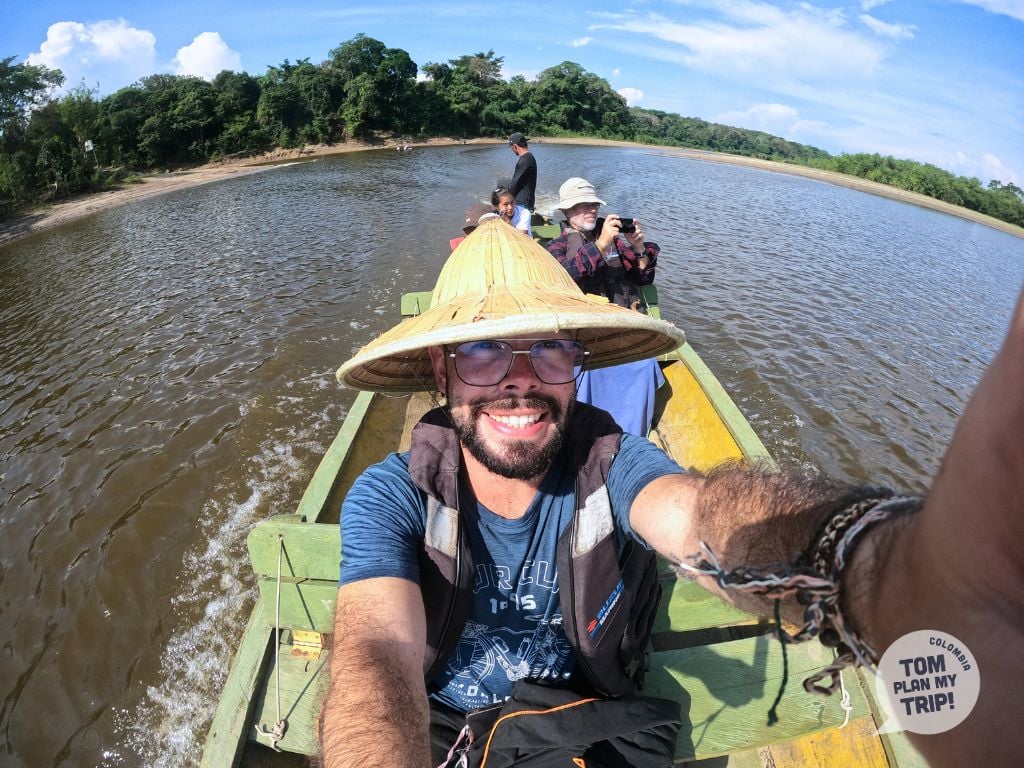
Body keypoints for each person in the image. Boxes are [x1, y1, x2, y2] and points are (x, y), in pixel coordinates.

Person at [322, 218, 1024, 768]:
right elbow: (377, 652)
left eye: (551, 349)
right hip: (443, 726)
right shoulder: (393, 495)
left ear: (577, 367)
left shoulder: (610, 458)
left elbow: (698, 513)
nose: (520, 379)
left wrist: (876, 566)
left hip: (580, 724)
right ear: (441, 375)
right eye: (482, 352)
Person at [546, 177, 664, 435]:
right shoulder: (556, 246)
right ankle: (587, 432)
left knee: (644, 364)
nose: (591, 209)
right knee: (581, 368)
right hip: (584, 335)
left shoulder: (618, 242)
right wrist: (600, 245)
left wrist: (640, 248)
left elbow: (643, 277)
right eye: (582, 205)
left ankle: (631, 435)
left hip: (622, 328)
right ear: (566, 211)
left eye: (594, 205)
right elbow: (565, 276)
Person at [507, 132, 537, 212]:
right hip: (526, 201)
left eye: (511, 147)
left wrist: (506, 200)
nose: (512, 150)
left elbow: (515, 183)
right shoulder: (529, 158)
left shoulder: (525, 160)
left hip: (522, 203)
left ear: (515, 146)